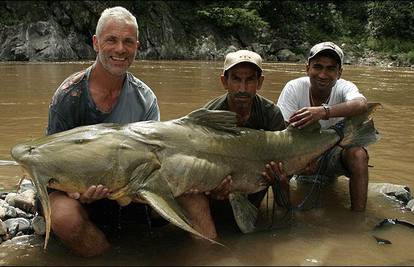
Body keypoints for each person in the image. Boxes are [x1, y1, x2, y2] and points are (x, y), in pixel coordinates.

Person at [46, 6, 160, 257]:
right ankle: (106, 258)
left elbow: (152, 161)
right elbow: (50, 167)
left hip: (128, 189)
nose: (120, 49)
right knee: (64, 217)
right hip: (74, 191)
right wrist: (76, 190)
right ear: (96, 43)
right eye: (112, 40)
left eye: (128, 42)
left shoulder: (146, 99)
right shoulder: (68, 96)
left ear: (136, 47)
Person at [177, 50, 287, 240]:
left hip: (256, 186)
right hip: (218, 192)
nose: (242, 88)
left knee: (283, 194)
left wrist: (281, 179)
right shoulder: (209, 114)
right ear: (224, 81)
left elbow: (285, 159)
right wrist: (212, 189)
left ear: (259, 83)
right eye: (236, 79)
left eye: (250, 80)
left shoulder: (271, 115)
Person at [276, 41, 369, 212]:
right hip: (300, 152)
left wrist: (323, 112)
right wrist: (304, 159)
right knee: (277, 163)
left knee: (359, 155)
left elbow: (362, 104)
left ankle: (358, 218)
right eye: (317, 67)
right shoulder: (294, 88)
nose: (323, 74)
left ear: (339, 73)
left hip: (334, 152)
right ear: (307, 68)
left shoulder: (344, 87)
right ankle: (284, 216)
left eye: (330, 69)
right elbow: (282, 132)